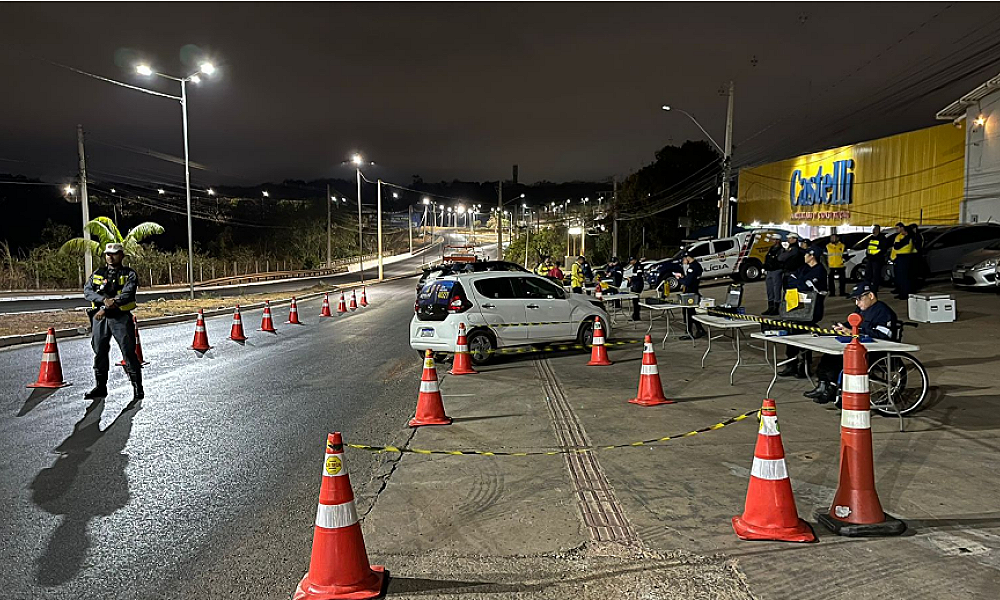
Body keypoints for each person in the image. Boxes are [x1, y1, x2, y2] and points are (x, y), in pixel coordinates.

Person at [805, 283, 898, 404]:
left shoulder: (883, 311)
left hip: (875, 350)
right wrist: (842, 327)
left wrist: (855, 332)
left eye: (859, 299)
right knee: (828, 356)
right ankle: (824, 385)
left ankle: (831, 389)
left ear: (870, 295)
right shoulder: (861, 310)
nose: (857, 303)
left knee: (840, 359)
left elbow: (885, 335)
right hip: (860, 346)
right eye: (855, 300)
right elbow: (851, 324)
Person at [83, 243, 143, 401]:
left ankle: (137, 387)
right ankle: (100, 387)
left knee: (128, 352)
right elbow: (87, 291)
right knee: (99, 351)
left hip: (120, 317)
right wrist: (103, 301)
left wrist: (110, 304)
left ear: (121, 255)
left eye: (114, 253)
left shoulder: (129, 274)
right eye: (108, 254)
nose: (110, 256)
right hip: (100, 318)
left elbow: (128, 294)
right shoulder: (98, 273)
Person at [778, 246, 827, 378]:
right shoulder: (804, 268)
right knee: (791, 334)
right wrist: (800, 282)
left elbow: (806, 286)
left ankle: (804, 366)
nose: (804, 256)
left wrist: (799, 282)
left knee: (805, 337)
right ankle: (791, 365)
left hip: (811, 310)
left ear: (812, 256)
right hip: (797, 308)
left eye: (806, 255)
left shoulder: (820, 271)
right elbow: (789, 281)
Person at [678, 252, 707, 340]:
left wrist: (680, 279)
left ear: (688, 258)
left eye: (683, 260)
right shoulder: (697, 265)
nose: (683, 262)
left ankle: (689, 332)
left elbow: (688, 282)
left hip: (690, 293)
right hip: (693, 292)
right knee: (691, 313)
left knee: (688, 313)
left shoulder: (692, 268)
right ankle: (700, 329)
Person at [890, 221, 915, 300]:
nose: (896, 230)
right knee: (899, 277)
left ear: (902, 228)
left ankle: (904, 294)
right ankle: (901, 292)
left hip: (905, 257)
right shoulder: (899, 236)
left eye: (897, 228)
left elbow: (897, 246)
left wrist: (898, 242)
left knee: (904, 277)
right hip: (898, 258)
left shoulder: (908, 237)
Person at [864, 225, 885, 293]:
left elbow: (882, 249)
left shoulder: (882, 238)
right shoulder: (871, 238)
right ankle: (868, 287)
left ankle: (875, 288)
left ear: (878, 230)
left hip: (877, 259)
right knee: (868, 273)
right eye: (873, 229)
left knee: (876, 275)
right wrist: (868, 254)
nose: (873, 231)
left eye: (875, 229)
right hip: (870, 259)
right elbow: (869, 247)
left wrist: (875, 255)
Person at [626, 256, 645, 321]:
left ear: (634, 260)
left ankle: (636, 316)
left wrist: (631, 279)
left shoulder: (638, 266)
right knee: (635, 301)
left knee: (636, 301)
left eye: (631, 261)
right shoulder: (635, 266)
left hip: (638, 285)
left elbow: (639, 276)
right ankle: (635, 315)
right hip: (635, 284)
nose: (630, 263)